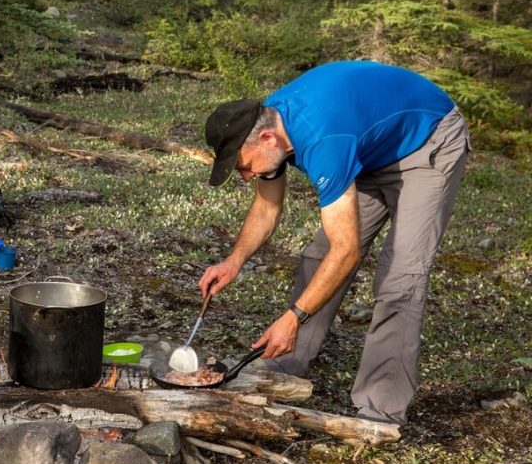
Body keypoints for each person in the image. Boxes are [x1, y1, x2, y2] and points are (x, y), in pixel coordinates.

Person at [199, 60, 470, 426]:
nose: (246, 177)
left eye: (245, 166)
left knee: (400, 278)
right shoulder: (269, 125)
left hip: (428, 142)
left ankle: (380, 409)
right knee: (319, 256)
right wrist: (233, 261)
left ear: (267, 140)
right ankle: (287, 364)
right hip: (370, 150)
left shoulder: (322, 139)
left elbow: (348, 251)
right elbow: (266, 208)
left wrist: (293, 317)